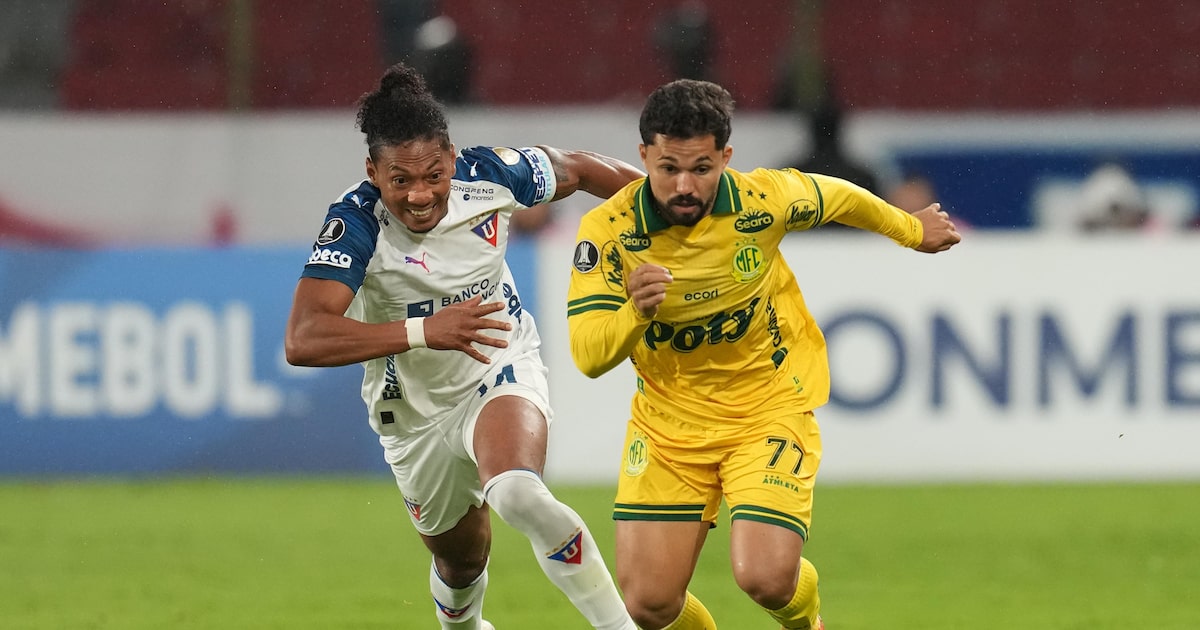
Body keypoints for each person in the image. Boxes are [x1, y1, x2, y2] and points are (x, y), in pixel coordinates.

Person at [566, 79, 961, 630]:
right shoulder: (607, 232)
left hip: (766, 409)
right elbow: (587, 355)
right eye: (668, 167)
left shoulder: (761, 200)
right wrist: (634, 313)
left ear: (726, 158)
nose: (684, 185)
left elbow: (839, 196)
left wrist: (911, 229)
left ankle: (808, 622)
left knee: (765, 577)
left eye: (702, 168)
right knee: (648, 606)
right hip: (667, 428)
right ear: (644, 157)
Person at [284, 62, 644, 630]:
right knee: (461, 559)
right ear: (373, 172)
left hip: (499, 366)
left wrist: (677, 227)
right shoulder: (356, 222)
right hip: (413, 413)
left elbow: (583, 168)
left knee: (519, 493)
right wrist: (426, 330)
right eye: (400, 180)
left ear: (452, 158)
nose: (421, 195)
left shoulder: (489, 175)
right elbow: (303, 337)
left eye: (433, 174)